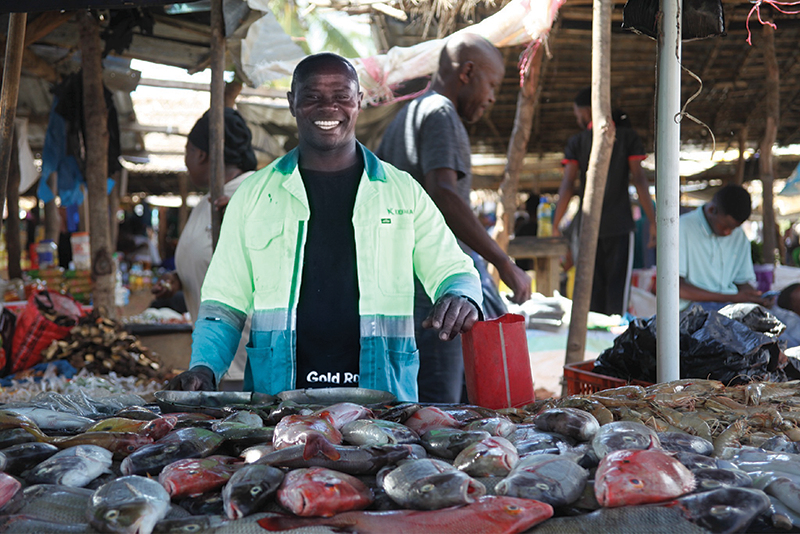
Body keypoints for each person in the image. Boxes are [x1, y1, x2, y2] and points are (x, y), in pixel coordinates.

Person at [166, 53, 483, 401]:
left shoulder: (403, 191)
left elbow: (453, 268)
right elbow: (224, 302)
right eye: (313, 96)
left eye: (341, 96)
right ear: (292, 103)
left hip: (382, 402)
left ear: (359, 102)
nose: (328, 107)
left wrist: (460, 295)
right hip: (279, 403)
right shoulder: (253, 196)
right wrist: (204, 367)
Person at [376, 33, 531, 403]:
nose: (492, 96)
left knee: (412, 397)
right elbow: (444, 193)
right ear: (468, 72)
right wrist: (503, 262)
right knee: (440, 403)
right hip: (436, 290)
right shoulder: (441, 113)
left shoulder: (404, 117)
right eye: (491, 84)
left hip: (400, 285)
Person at [151, 107, 258, 383]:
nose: (186, 161)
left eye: (187, 151)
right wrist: (178, 279)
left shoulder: (253, 198)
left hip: (243, 367)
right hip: (212, 365)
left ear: (200, 154)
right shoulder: (207, 203)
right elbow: (213, 262)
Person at [552, 88, 656, 317]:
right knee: (617, 297)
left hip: (587, 228)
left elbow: (567, 185)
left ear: (587, 110)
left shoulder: (578, 141)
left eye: (577, 113)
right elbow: (639, 179)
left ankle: (593, 348)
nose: (576, 118)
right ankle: (614, 345)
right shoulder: (628, 138)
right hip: (619, 226)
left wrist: (555, 224)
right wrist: (653, 221)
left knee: (591, 295)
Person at [678, 184, 772, 311]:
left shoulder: (739, 235)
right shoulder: (681, 227)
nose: (729, 233)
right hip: (691, 311)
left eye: (734, 228)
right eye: (725, 226)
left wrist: (755, 297)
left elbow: (742, 282)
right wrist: (731, 297)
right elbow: (676, 288)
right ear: (712, 210)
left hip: (729, 307)